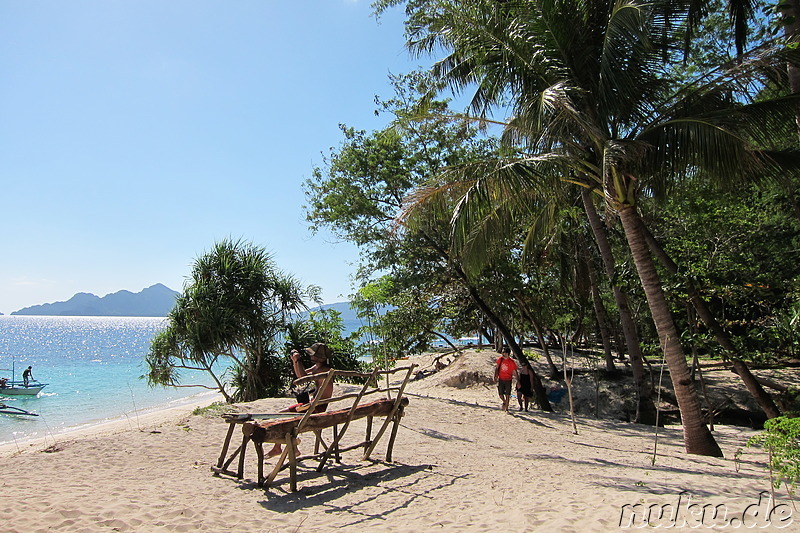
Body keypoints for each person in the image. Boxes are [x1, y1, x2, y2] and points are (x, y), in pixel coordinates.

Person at [267, 343, 334, 458]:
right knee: (282, 416)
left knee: (283, 416)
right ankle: (284, 448)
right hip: (312, 405)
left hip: (316, 408)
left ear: (318, 357)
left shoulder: (323, 370)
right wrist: (295, 361)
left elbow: (302, 378)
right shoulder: (317, 368)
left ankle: (280, 448)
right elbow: (300, 376)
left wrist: (297, 359)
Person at [493, 346, 518, 413]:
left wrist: (518, 381)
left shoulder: (511, 362)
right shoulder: (500, 359)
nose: (502, 353)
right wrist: (495, 376)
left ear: (507, 353)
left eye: (503, 352)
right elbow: (497, 368)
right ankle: (504, 402)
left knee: (508, 394)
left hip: (508, 379)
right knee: (500, 394)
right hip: (501, 379)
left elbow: (515, 372)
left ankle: (506, 408)